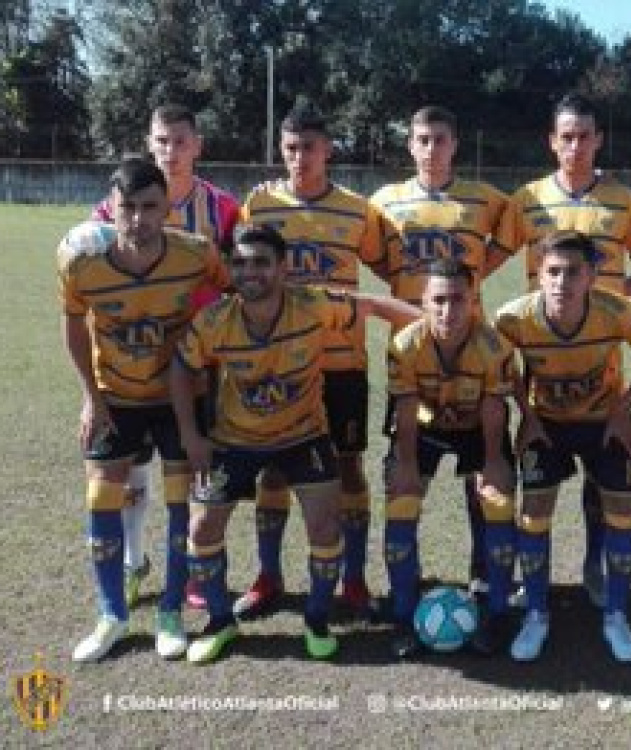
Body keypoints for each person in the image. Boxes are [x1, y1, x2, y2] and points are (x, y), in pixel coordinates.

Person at [170, 224, 419, 663]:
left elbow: (376, 305)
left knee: (325, 526)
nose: (249, 272)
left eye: (261, 262)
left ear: (283, 268)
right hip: (234, 440)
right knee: (201, 527)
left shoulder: (312, 304)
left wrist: (435, 327)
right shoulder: (213, 320)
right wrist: (191, 435)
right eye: (240, 263)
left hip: (304, 436)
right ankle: (220, 621)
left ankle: (317, 619)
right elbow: (180, 368)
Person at [500, 92, 631, 609]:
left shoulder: (623, 201)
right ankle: (526, 583)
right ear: (552, 142)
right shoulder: (526, 200)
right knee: (538, 483)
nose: (575, 146)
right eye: (566, 137)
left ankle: (596, 566)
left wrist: (612, 296)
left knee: (603, 484)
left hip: (604, 356)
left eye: (584, 137)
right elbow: (485, 261)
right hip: (542, 354)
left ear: (598, 140)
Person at [58, 157, 227, 662]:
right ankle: (111, 613)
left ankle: (170, 611)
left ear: (167, 207)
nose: (137, 219)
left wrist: (213, 372)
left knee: (181, 502)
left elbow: (234, 298)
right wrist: (91, 397)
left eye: (149, 207)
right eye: (126, 208)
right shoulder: (80, 261)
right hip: (115, 396)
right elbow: (72, 327)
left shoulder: (197, 253)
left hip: (179, 398)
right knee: (101, 496)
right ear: (110, 209)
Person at [240, 101, 387, 618]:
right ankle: (268, 577)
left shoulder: (358, 210)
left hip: (342, 364)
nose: (299, 157)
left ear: (328, 150)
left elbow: (392, 266)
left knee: (349, 467)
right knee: (274, 469)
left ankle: (354, 580)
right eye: (290, 148)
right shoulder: (259, 206)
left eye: (309, 148)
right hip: (279, 363)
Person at [494, 231, 631, 663]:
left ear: (591, 276)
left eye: (573, 272)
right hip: (546, 425)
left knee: (621, 513)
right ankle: (536, 614)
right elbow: (499, 364)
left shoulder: (615, 311)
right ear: (538, 275)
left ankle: (616, 616)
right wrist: (526, 414)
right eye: (552, 272)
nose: (562, 282)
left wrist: (624, 408)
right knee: (534, 514)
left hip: (603, 424)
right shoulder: (513, 318)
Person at [92, 103, 239, 609]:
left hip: (198, 364)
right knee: (130, 468)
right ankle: (134, 562)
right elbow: (94, 290)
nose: (170, 151)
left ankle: (196, 566)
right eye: (161, 141)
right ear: (148, 143)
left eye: (180, 141)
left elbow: (234, 282)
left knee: (197, 466)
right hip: (130, 362)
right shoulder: (114, 208)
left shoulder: (223, 208)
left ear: (197, 145)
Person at [370, 105, 515, 597]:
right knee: (406, 478)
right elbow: (376, 259)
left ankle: (484, 576)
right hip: (414, 354)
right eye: (423, 139)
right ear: (410, 144)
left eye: (441, 139)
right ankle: (403, 589)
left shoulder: (486, 199)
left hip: (471, 350)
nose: (431, 149)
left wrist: (475, 277)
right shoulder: (384, 202)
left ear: (455, 144)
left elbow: (517, 231)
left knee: (484, 485)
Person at [384, 258, 518, 658]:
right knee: (401, 500)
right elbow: (406, 408)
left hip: (478, 428)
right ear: (423, 302)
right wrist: (407, 463)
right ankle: (403, 613)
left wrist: (492, 462)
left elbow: (494, 407)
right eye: (439, 300)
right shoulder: (404, 345)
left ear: (473, 301)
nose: (448, 310)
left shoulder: (495, 347)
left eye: (458, 299)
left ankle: (497, 610)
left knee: (496, 500)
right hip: (424, 428)